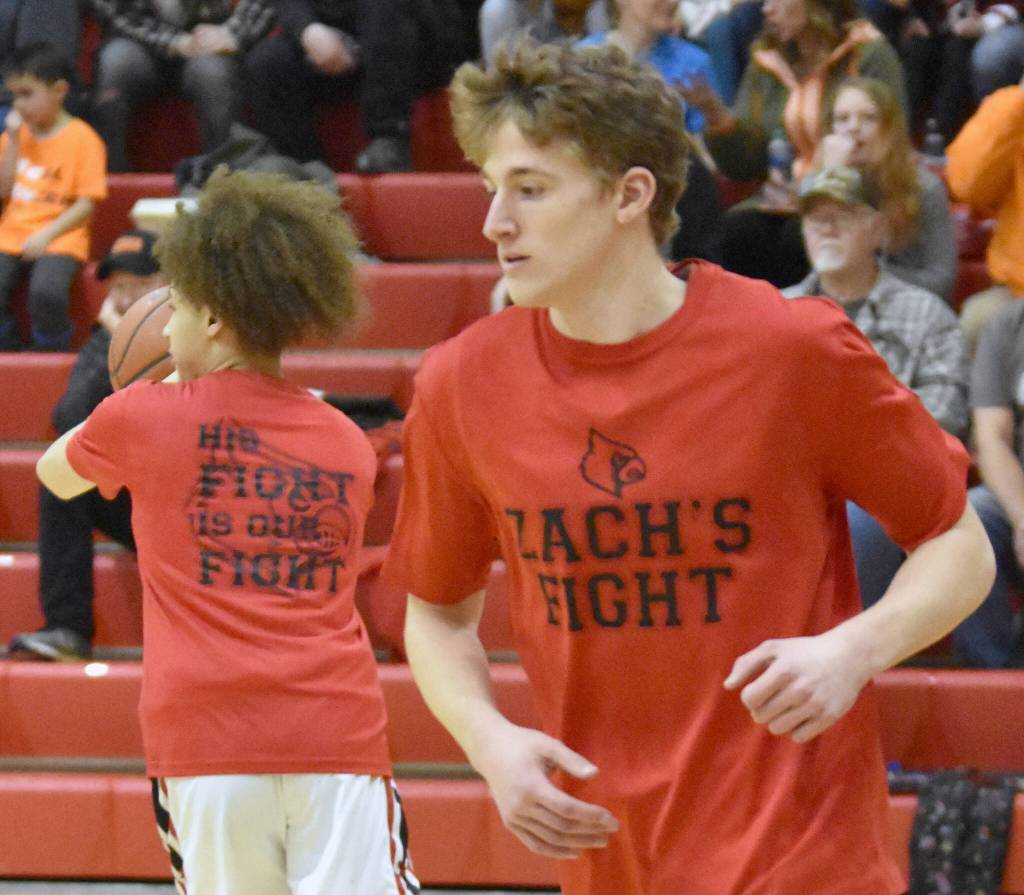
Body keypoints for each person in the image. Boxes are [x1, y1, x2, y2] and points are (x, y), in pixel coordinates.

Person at [381, 39, 994, 895]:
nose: (494, 222)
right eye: (491, 187)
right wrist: (489, 738)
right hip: (610, 857)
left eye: (530, 189)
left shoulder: (792, 348)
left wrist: (854, 649)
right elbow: (437, 616)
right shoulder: (460, 384)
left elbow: (958, 541)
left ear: (631, 194)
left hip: (801, 856)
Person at [34, 170, 418, 894]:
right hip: (333, 732)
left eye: (173, 307)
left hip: (204, 743)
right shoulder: (344, 439)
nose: (165, 322)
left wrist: (127, 389)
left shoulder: (142, 417)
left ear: (211, 319)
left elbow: (56, 473)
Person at [783, 165, 969, 612]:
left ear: (878, 228)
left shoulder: (926, 314)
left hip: (886, 489)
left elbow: (943, 417)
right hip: (788, 487)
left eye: (842, 215)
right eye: (815, 218)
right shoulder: (769, 313)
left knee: (853, 520)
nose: (826, 228)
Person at [7, 230, 164, 662]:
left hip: (198, 507)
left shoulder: (193, 339)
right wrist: (115, 341)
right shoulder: (109, 341)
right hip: (146, 506)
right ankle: (67, 628)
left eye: (140, 282)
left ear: (168, 285)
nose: (128, 296)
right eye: (118, 287)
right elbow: (67, 420)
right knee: (63, 477)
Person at [681, 0, 906, 287]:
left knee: (797, 235)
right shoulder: (766, 59)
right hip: (777, 202)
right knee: (736, 232)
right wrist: (718, 117)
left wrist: (811, 189)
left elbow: (888, 144)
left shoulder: (868, 54)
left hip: (855, 197)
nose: (766, 10)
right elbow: (744, 166)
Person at [244, 0, 471, 173]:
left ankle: (388, 139)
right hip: (338, 40)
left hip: (413, 41)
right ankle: (303, 170)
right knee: (267, 62)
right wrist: (308, 30)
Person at [577, 0, 724, 261]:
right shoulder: (580, 60)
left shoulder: (695, 62)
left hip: (674, 193)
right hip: (596, 183)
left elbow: (709, 161)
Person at [0, 42, 107, 352]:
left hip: (61, 235)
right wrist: (15, 145)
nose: (18, 105)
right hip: (11, 232)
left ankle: (50, 352)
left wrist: (47, 235)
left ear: (59, 91)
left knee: (46, 292)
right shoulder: (12, 138)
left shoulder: (83, 139)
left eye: (27, 94)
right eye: (14, 96)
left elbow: (86, 205)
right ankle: (8, 348)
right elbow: (4, 191)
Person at [90, 0, 275, 173]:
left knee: (212, 74)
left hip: (211, 35)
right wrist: (175, 41)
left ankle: (222, 178)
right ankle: (110, 183)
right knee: (116, 64)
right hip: (139, 37)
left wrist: (232, 33)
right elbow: (112, 11)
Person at [947, 76, 1024, 354]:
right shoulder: (1015, 114)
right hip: (1016, 294)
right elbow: (965, 184)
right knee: (977, 319)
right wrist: (1017, 102)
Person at [966, 302, 1024, 667]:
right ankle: (994, 674)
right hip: (1020, 494)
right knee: (971, 516)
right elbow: (990, 439)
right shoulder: (1006, 323)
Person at [479, 0, 610, 66]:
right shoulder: (499, 11)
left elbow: (605, 56)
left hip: (578, 90)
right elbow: (507, 83)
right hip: (527, 104)